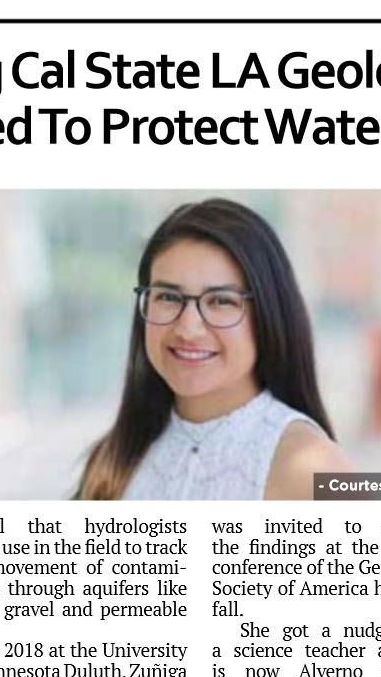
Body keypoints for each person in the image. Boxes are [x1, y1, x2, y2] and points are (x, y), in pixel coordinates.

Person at [75, 198, 351, 500]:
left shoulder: (310, 467)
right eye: (168, 297)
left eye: (221, 301)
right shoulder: (113, 459)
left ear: (269, 315)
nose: (188, 329)